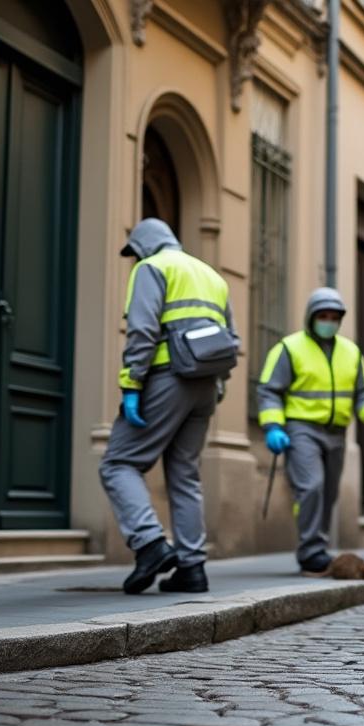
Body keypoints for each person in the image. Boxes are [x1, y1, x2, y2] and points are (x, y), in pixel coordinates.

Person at [100, 218, 236, 595]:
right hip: (205, 386)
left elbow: (142, 331)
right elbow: (232, 338)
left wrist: (131, 384)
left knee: (119, 463)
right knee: (185, 474)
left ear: (144, 245)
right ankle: (192, 569)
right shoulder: (212, 276)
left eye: (135, 252)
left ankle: (150, 544)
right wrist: (218, 383)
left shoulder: (152, 268)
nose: (135, 259)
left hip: (166, 378)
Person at [256, 287, 364, 574]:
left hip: (337, 432)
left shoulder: (351, 352)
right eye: (323, 316)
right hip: (301, 428)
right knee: (312, 486)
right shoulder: (289, 348)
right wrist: (273, 426)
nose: (328, 321)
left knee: (328, 493)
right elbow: (269, 391)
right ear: (311, 317)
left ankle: (316, 545)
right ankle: (311, 551)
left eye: (334, 317)